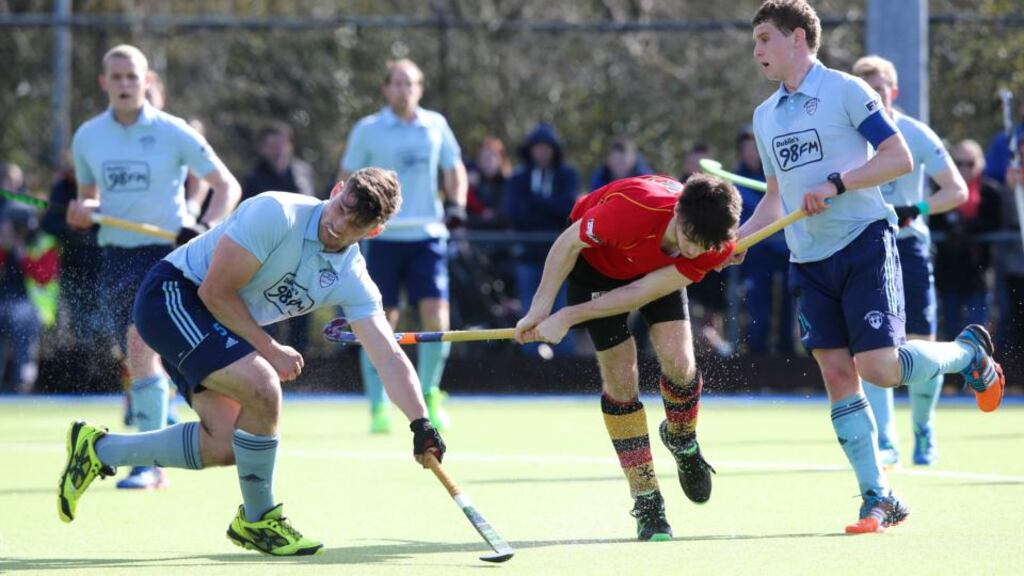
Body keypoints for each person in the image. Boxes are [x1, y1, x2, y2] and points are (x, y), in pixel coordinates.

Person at [57, 168, 447, 556]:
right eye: (342, 207)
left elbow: (388, 355)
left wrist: (421, 423)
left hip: (215, 321)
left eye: (356, 223)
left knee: (227, 444)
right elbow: (215, 292)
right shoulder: (277, 213)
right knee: (263, 385)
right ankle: (259, 521)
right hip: (174, 295)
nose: (339, 224)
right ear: (337, 189)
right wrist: (270, 349)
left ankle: (99, 450)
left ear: (373, 232)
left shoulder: (352, 276)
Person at [745, 0, 1004, 534]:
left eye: (766, 38)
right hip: (807, 259)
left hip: (864, 243)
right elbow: (773, 200)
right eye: (756, 41)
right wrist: (738, 241)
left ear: (798, 38)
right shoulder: (764, 115)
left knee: (880, 368)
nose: (757, 50)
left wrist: (836, 185)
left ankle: (967, 353)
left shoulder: (846, 90)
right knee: (839, 375)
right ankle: (877, 497)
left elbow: (897, 158)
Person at [514, 173, 742, 541]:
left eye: (705, 247)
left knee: (680, 361)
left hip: (654, 273)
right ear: (678, 215)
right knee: (621, 376)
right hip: (595, 268)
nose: (695, 252)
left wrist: (568, 317)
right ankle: (647, 498)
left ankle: (682, 440)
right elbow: (566, 244)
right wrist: (541, 311)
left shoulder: (709, 244)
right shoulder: (631, 211)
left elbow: (642, 291)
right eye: (690, 240)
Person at [66, 44, 241, 490]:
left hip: (164, 258)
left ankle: (149, 465)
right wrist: (83, 211)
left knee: (140, 347)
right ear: (104, 82)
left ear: (147, 81)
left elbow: (227, 185)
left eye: (133, 76)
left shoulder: (173, 131)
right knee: (137, 356)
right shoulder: (87, 136)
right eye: (117, 77)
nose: (125, 84)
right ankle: (161, 418)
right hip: (115, 258)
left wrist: (204, 226)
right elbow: (90, 197)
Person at [852, 55, 968, 468]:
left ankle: (923, 428)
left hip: (910, 249)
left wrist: (915, 208)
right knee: (876, 345)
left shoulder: (915, 134)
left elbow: (956, 190)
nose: (874, 95)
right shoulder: (847, 137)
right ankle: (886, 440)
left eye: (880, 88)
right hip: (866, 249)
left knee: (922, 343)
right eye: (866, 89)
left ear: (893, 91)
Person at [339, 58, 468, 434]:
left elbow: (454, 168)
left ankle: (429, 393)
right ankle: (378, 405)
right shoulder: (368, 129)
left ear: (420, 88)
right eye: (396, 83)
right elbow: (346, 179)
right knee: (378, 322)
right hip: (382, 239)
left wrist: (456, 205)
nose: (403, 90)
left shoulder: (435, 125)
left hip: (427, 237)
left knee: (436, 319)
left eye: (409, 83)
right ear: (385, 88)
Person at [505, 122, 580, 358]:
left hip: (562, 258)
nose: (542, 153)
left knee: (561, 312)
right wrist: (548, 206)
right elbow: (513, 212)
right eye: (537, 147)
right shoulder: (519, 178)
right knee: (529, 311)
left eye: (547, 147)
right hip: (528, 256)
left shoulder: (567, 175)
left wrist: (536, 203)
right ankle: (530, 366)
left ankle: (566, 366)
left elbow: (569, 208)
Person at [735, 125, 794, 356]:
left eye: (756, 148)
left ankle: (788, 351)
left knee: (790, 302)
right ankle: (756, 352)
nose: (752, 154)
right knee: (757, 302)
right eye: (747, 148)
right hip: (757, 253)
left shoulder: (778, 178)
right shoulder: (737, 182)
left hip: (785, 249)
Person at [933, 140, 1001, 339]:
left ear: (979, 163)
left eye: (969, 163)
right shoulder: (942, 189)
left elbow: (995, 223)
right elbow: (934, 222)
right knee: (952, 331)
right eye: (959, 162)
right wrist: (953, 229)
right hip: (949, 272)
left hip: (978, 272)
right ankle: (953, 372)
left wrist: (968, 228)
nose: (964, 168)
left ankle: (980, 369)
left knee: (977, 333)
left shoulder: (990, 191)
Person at [588, 137, 653, 191]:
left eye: (623, 162)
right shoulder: (599, 179)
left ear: (632, 159)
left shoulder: (646, 181)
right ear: (608, 161)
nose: (620, 167)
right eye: (616, 162)